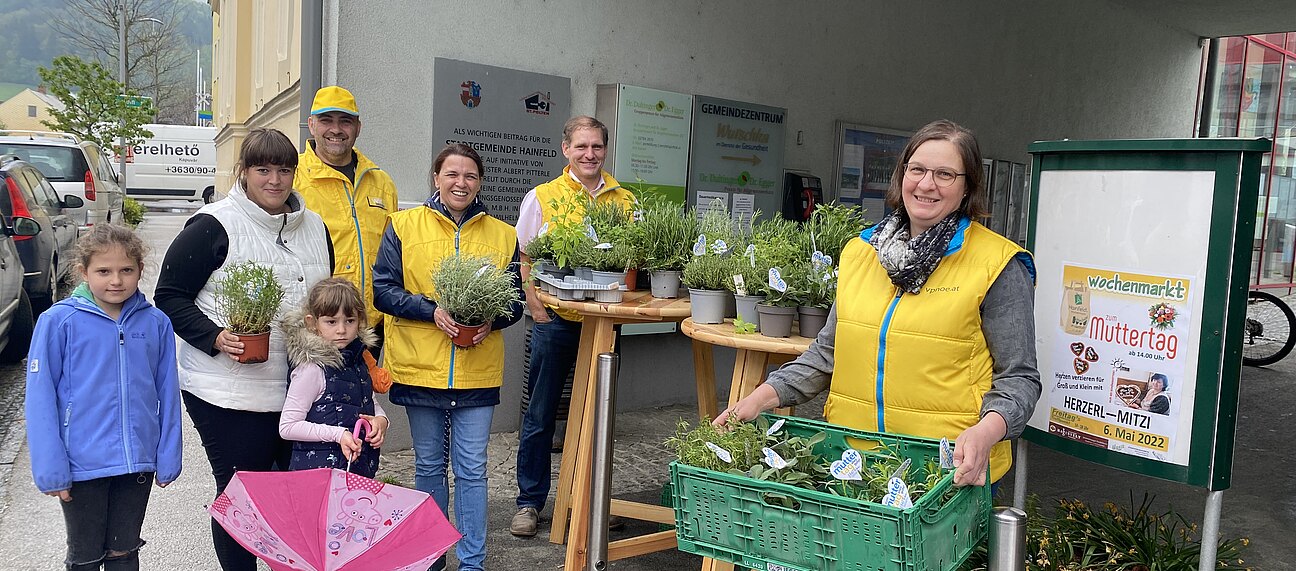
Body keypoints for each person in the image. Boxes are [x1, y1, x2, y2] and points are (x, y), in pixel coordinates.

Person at [718, 119, 1041, 488]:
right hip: (853, 465)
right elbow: (828, 354)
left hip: (944, 474)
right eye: (916, 169)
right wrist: (757, 399)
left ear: (968, 187)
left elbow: (1019, 378)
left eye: (945, 174)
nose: (926, 184)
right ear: (901, 174)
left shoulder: (997, 264)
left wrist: (987, 432)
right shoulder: (861, 253)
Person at [155, 128, 333, 571]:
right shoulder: (213, 224)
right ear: (245, 173)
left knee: (294, 494)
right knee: (241, 493)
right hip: (227, 391)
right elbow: (170, 294)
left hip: (296, 390)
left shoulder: (315, 227)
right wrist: (215, 336)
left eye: (284, 169)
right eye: (263, 169)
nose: (274, 180)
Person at [373, 143, 524, 571]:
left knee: (473, 469)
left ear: (480, 182)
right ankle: (430, 557)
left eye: (470, 176)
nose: (461, 183)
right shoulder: (402, 225)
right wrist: (430, 310)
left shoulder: (503, 234)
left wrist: (489, 322)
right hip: (421, 367)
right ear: (436, 178)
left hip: (477, 370)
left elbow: (513, 302)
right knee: (429, 466)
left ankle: (472, 563)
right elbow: (383, 290)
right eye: (452, 174)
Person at [25, 224, 182, 570]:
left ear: (141, 270)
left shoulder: (155, 323)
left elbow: (168, 392)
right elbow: (39, 397)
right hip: (81, 464)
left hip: (137, 462)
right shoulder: (58, 321)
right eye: (103, 271)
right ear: (83, 273)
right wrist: (51, 466)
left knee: (124, 552)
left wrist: (169, 452)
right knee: (85, 555)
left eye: (126, 270)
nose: (116, 280)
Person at [511, 116, 635, 537]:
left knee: (598, 416)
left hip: (604, 326)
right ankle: (529, 503)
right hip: (556, 322)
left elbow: (631, 266)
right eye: (581, 146)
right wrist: (538, 309)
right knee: (541, 414)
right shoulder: (543, 197)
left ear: (605, 149)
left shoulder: (625, 201)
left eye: (597, 147)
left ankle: (590, 501)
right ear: (566, 148)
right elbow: (524, 257)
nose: (590, 155)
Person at [296, 86, 399, 338]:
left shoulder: (380, 181)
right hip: (317, 326)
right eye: (326, 120)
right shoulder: (294, 177)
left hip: (370, 325)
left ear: (358, 128)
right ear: (311, 124)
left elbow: (395, 253)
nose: (336, 129)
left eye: (345, 121)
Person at [279, 278, 390, 478]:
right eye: (331, 322)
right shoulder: (312, 369)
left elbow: (369, 401)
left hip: (355, 471)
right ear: (312, 323)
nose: (341, 330)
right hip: (317, 477)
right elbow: (288, 426)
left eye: (350, 321)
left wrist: (381, 420)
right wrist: (338, 434)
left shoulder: (358, 361)